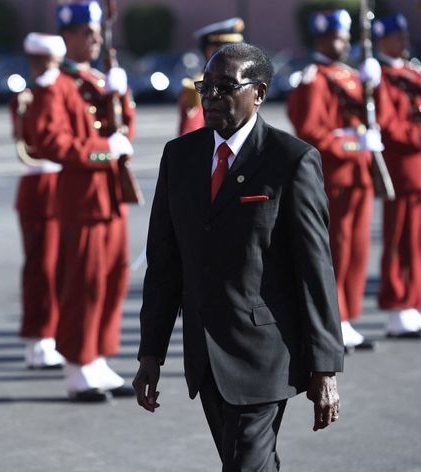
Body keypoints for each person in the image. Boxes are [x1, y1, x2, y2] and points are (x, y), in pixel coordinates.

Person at [133, 43, 343, 472]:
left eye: (225, 87)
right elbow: (165, 265)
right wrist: (150, 354)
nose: (210, 96)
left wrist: (325, 367)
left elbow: (314, 269)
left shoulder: (291, 160)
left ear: (259, 93)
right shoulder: (180, 156)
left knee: (245, 465)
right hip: (206, 357)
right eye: (205, 86)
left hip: (265, 356)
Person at [30, 0, 136, 402]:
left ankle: (97, 357)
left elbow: (124, 132)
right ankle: (77, 364)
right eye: (86, 33)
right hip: (81, 198)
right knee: (83, 282)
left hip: (110, 196)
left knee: (112, 280)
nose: (94, 39)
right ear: (67, 36)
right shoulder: (54, 85)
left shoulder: (98, 81)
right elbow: (51, 142)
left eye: (97, 32)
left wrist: (121, 96)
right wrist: (101, 151)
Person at [287, 9, 388, 352]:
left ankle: (347, 316)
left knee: (357, 250)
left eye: (346, 37)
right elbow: (310, 132)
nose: (345, 44)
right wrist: (352, 143)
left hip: (358, 175)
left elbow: (376, 117)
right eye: (339, 38)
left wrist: (377, 85)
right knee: (336, 251)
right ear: (322, 39)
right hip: (335, 177)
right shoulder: (313, 79)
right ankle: (332, 320)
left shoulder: (350, 75)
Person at [372, 13, 421, 338]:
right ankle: (397, 308)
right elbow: (391, 127)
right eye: (396, 36)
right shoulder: (382, 76)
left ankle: (414, 303)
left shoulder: (412, 72)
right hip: (403, 171)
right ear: (382, 40)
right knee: (401, 240)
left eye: (404, 35)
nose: (404, 41)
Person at [11, 33, 67, 370]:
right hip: (40, 184)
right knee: (41, 268)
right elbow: (34, 143)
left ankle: (53, 333)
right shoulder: (31, 97)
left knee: (60, 268)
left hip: (60, 183)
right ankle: (39, 336)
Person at [178, 17, 245, 136]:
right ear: (210, 50)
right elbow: (190, 131)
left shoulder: (243, 81)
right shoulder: (199, 86)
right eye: (226, 48)